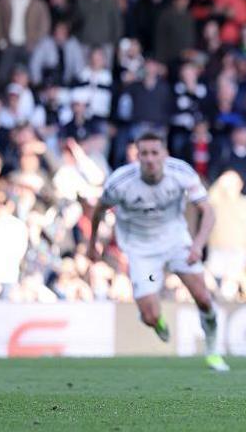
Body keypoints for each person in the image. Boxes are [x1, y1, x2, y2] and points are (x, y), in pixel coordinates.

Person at [89, 132, 228, 372]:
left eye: (155, 153)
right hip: (140, 249)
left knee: (204, 298)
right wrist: (92, 244)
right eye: (144, 154)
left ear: (164, 153)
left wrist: (197, 244)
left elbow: (209, 211)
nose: (150, 159)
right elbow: (99, 210)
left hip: (176, 241)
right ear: (137, 156)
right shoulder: (120, 181)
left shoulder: (181, 173)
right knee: (150, 317)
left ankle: (212, 350)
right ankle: (157, 321)